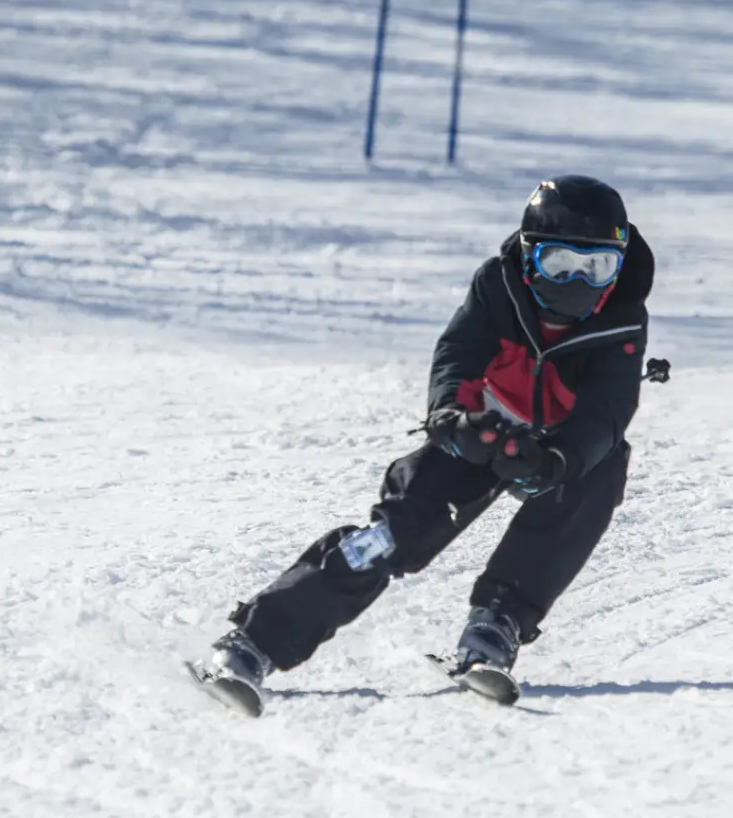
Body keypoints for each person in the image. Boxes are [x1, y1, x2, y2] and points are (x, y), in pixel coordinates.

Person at [192, 174, 654, 714]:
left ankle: (496, 624)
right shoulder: (498, 286)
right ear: (530, 259)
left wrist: (561, 457)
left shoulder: (621, 318)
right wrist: (451, 417)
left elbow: (607, 407)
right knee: (392, 535)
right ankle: (255, 642)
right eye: (559, 263)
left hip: (563, 446)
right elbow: (461, 350)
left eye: (596, 267)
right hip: (485, 429)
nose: (576, 280)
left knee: (593, 479)